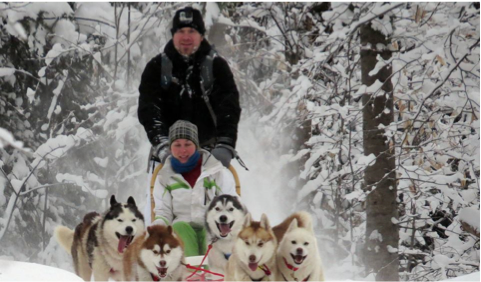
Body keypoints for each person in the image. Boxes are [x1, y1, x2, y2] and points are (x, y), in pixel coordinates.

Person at [138, 7, 241, 168]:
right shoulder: (156, 68)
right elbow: (149, 109)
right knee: (161, 193)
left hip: (210, 154)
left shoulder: (217, 67)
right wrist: (162, 145)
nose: (186, 37)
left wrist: (225, 144)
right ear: (173, 34)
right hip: (168, 153)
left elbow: (229, 107)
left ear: (201, 35)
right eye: (181, 31)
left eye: (192, 31)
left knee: (220, 192)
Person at [151, 120, 238, 257]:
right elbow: (164, 211)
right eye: (177, 145)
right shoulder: (164, 176)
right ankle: (191, 272)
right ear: (170, 148)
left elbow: (232, 204)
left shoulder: (216, 171)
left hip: (213, 228)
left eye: (187, 144)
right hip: (182, 230)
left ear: (196, 146)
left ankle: (211, 271)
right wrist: (158, 227)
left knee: (212, 229)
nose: (183, 150)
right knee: (179, 227)